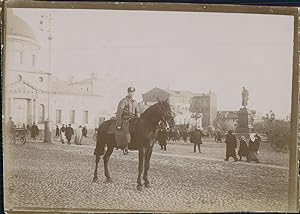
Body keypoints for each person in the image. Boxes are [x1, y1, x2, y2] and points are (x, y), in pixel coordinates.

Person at [115, 86, 140, 155]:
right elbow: (119, 112)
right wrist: (119, 124)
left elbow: (137, 112)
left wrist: (139, 119)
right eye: (130, 92)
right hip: (126, 119)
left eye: (132, 92)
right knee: (126, 130)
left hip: (134, 119)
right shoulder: (123, 101)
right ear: (128, 92)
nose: (131, 94)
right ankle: (125, 146)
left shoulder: (135, 102)